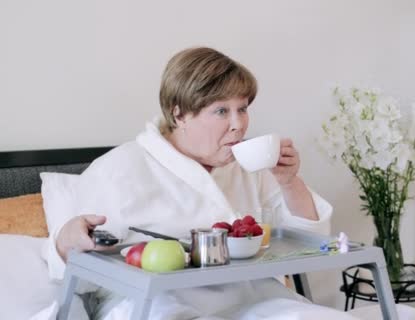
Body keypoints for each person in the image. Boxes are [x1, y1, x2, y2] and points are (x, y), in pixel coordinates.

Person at [41, 47, 357, 320]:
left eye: (243, 108)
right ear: (179, 114)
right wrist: (67, 240)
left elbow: (314, 243)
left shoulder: (248, 167)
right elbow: (71, 271)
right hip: (155, 306)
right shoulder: (121, 167)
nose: (239, 125)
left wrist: (289, 182)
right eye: (221, 111)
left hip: (254, 299)